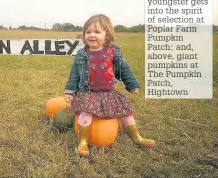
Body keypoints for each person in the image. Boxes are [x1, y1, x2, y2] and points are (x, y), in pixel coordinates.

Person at [64, 14, 155, 156]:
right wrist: (69, 91)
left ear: (107, 35)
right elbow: (74, 75)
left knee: (126, 113)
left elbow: (124, 69)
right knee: (85, 113)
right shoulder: (81, 55)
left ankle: (136, 138)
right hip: (88, 93)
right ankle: (83, 142)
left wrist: (132, 85)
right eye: (88, 32)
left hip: (109, 92)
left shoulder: (113, 52)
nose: (91, 35)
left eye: (97, 32)